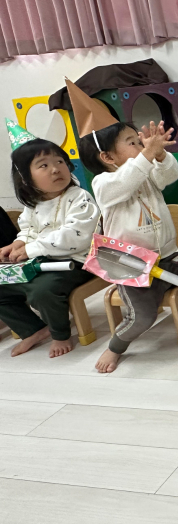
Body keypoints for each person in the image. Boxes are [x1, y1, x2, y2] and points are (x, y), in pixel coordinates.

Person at [73, 79, 178, 374]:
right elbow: (126, 181)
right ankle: (116, 346)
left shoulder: (145, 170)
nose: (141, 146)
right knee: (143, 317)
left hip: (167, 255)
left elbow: (169, 176)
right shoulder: (103, 183)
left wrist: (160, 156)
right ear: (107, 157)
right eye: (133, 143)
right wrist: (148, 155)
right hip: (130, 264)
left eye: (140, 141)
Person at [0, 122, 99, 358]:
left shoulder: (80, 197)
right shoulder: (34, 205)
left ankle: (60, 334)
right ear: (25, 178)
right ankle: (33, 329)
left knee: (42, 291)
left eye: (59, 162)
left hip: (77, 262)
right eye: (43, 165)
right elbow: (28, 229)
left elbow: (76, 236)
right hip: (42, 262)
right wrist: (19, 243)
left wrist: (31, 249)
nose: (55, 169)